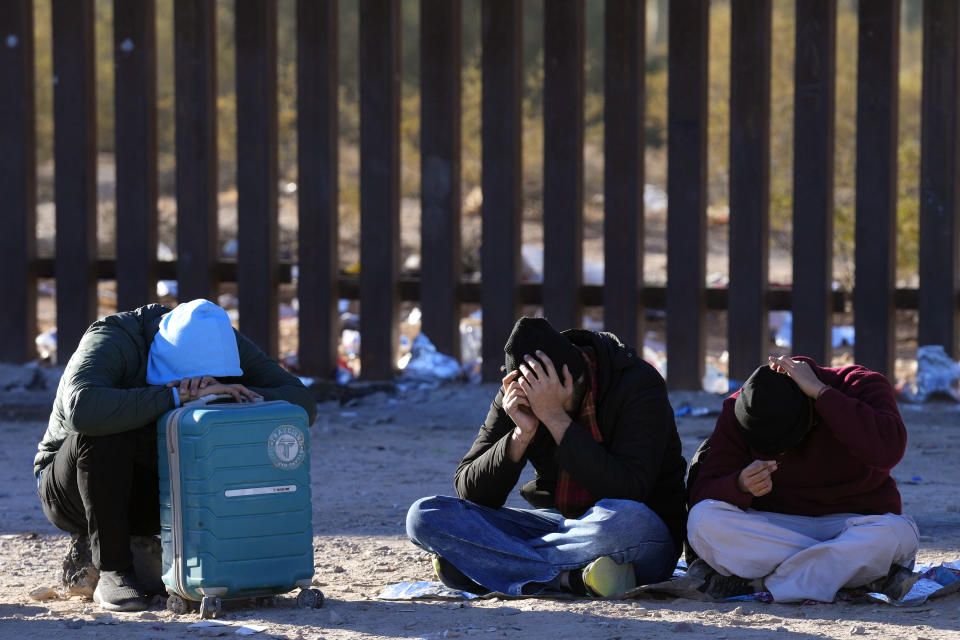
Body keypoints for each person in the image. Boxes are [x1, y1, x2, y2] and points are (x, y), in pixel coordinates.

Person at [35, 299, 317, 611]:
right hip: (73, 490)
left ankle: (226, 561)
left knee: (230, 424)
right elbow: (82, 409)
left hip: (165, 488)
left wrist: (226, 392)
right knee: (101, 436)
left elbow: (302, 403)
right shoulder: (113, 339)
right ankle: (114, 570)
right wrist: (177, 395)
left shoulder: (218, 337)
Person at [406, 316, 687, 597]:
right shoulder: (518, 391)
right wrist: (520, 435)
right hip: (558, 524)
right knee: (424, 515)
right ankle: (567, 580)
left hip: (633, 534)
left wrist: (555, 417)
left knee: (628, 521)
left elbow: (629, 489)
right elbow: (470, 491)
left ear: (573, 379)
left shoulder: (636, 384)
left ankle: (487, 566)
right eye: (534, 401)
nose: (538, 407)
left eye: (546, 399)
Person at [686, 355, 919, 603]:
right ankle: (852, 575)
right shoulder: (739, 406)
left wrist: (822, 394)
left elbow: (888, 451)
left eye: (786, 443)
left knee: (898, 533)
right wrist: (738, 485)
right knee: (703, 520)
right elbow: (703, 491)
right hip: (776, 529)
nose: (780, 454)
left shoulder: (859, 385)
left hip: (853, 526)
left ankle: (763, 584)